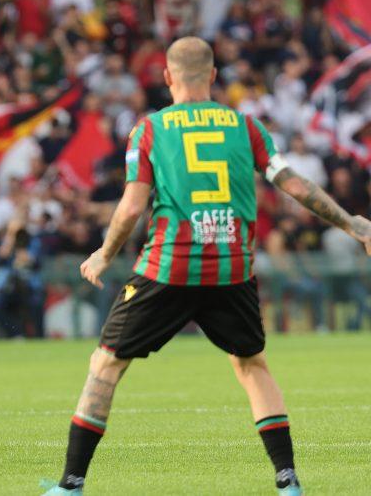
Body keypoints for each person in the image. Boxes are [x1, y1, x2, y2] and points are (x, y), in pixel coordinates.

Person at [42, 37, 371, 496]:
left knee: (107, 363)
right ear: (214, 76)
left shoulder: (150, 129)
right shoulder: (247, 127)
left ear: (167, 77)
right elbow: (294, 185)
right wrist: (352, 223)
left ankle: (70, 485)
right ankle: (288, 481)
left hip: (170, 266)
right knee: (252, 364)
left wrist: (104, 253)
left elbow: (133, 206)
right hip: (232, 267)